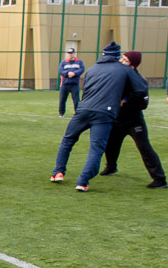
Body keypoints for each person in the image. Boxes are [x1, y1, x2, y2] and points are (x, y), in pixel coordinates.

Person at [49, 42, 147, 192]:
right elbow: (141, 89)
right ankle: (82, 181)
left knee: (68, 140)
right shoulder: (124, 70)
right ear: (117, 56)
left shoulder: (92, 68)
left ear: (103, 54)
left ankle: (58, 173)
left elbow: (86, 88)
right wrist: (124, 99)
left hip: (83, 109)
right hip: (104, 114)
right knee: (96, 148)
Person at [99, 51, 167, 188]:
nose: (121, 62)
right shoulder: (119, 75)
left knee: (144, 147)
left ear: (133, 66)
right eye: (122, 58)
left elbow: (143, 104)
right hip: (117, 119)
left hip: (134, 121)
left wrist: (126, 101)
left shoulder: (140, 81)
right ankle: (111, 166)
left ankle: (160, 179)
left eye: (125, 60)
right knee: (111, 144)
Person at [57, 48, 85, 117]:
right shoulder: (63, 62)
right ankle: (61, 113)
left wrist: (74, 73)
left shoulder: (79, 62)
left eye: (71, 53)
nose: (70, 54)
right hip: (65, 84)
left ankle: (77, 113)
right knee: (62, 99)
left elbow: (81, 69)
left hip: (74, 84)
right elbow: (61, 71)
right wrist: (67, 73)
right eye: (69, 53)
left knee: (76, 100)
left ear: (74, 53)